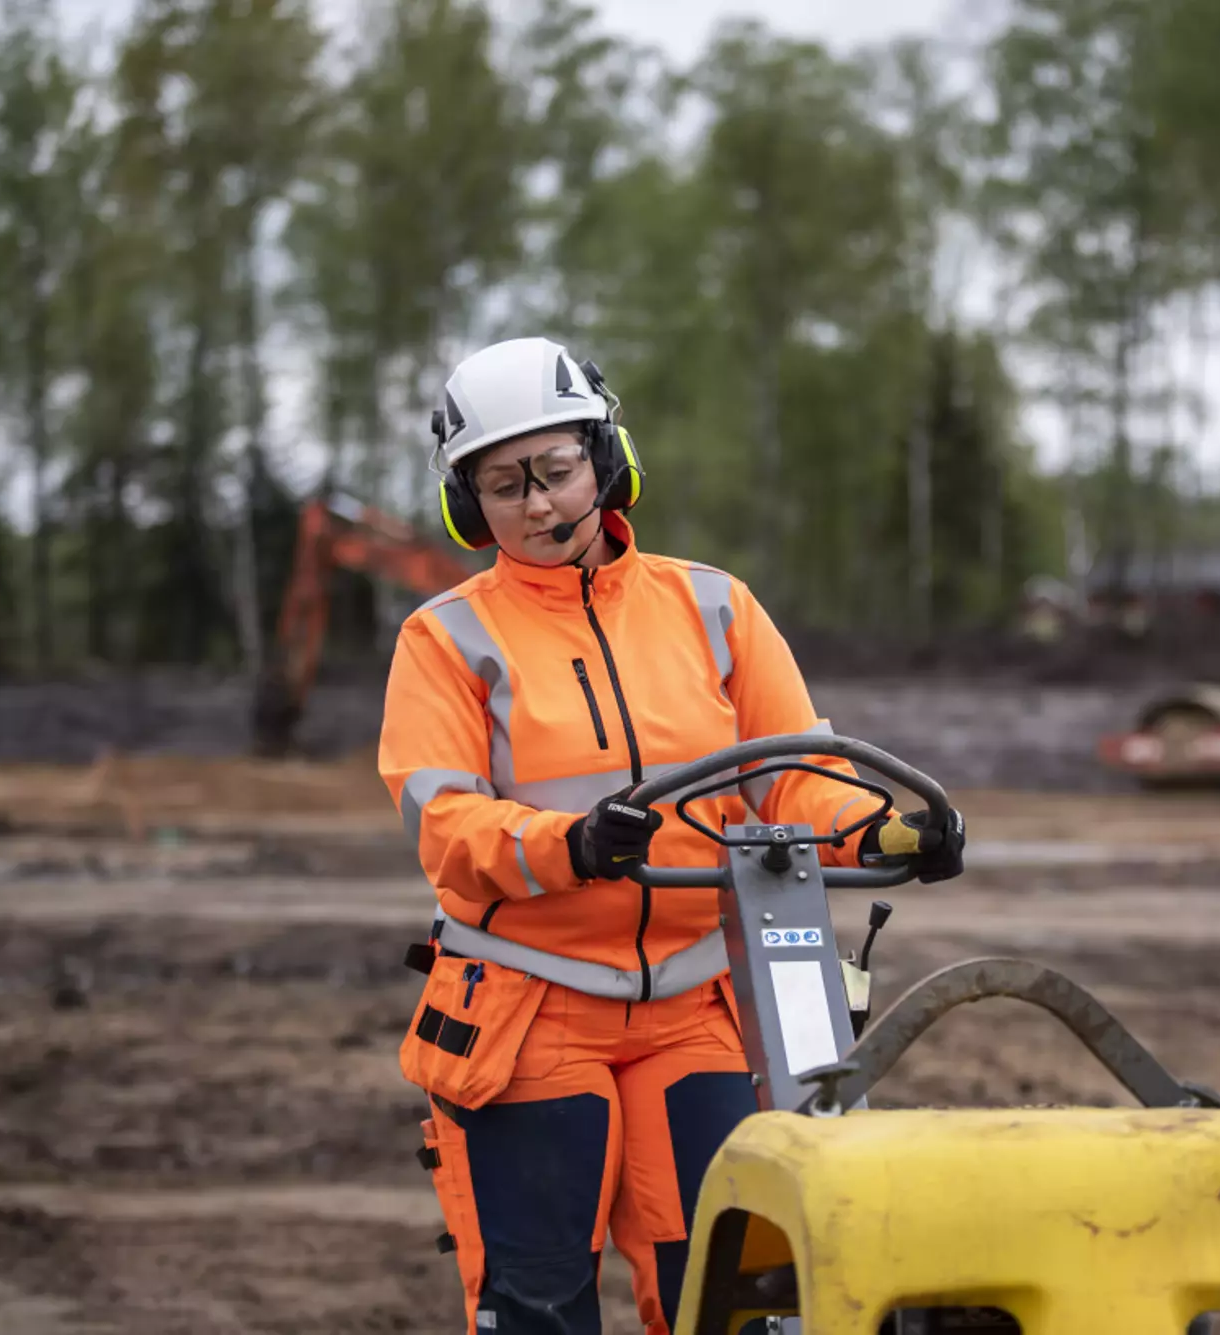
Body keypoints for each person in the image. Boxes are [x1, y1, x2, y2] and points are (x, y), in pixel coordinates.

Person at [376, 336, 968, 1335]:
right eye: (501, 483)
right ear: (466, 503)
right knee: (537, 1311)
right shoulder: (444, 639)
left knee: (730, 1301)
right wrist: (572, 845)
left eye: (554, 471)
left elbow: (793, 781)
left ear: (605, 460)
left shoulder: (714, 607)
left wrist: (886, 834)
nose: (535, 504)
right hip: (530, 1012)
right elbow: (446, 826)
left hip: (698, 1008)